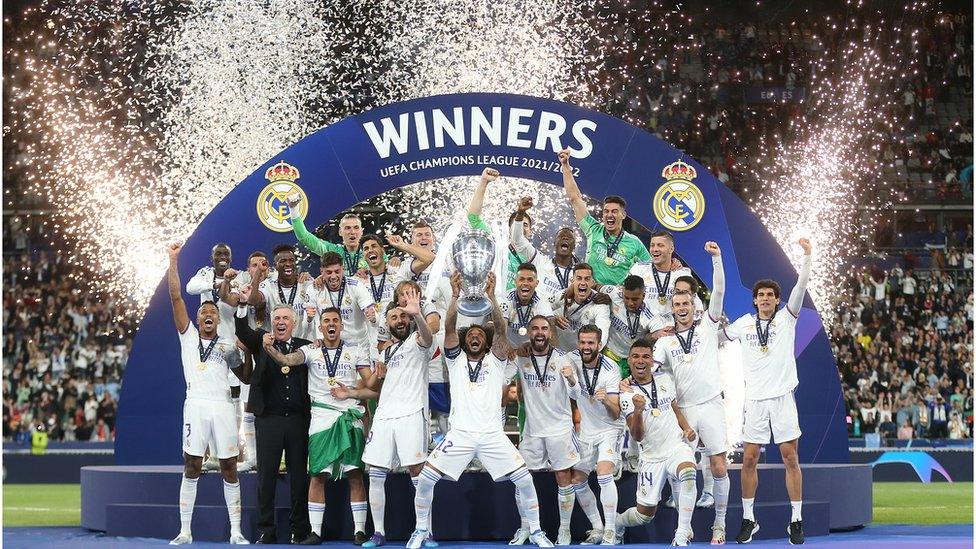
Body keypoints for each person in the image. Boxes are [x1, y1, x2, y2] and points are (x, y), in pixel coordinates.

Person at [407, 272, 553, 549]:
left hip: (492, 434)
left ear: (486, 343)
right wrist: (453, 296)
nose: (474, 337)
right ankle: (421, 531)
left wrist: (492, 297)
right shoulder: (455, 360)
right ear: (465, 342)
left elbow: (499, 330)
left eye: (479, 336)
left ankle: (535, 531)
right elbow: (449, 329)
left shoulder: (496, 360)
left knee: (524, 479)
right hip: (460, 434)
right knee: (425, 479)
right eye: (470, 335)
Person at [722, 238, 812, 545]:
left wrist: (808, 256)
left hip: (783, 398)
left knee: (790, 458)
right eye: (760, 295)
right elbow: (717, 334)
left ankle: (796, 520)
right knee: (748, 460)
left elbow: (800, 288)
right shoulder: (743, 325)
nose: (765, 299)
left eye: (770, 295)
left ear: (777, 300)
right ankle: (749, 519)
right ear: (755, 300)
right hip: (755, 401)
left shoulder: (788, 319)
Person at [264, 307, 376, 544]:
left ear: (341, 326)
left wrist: (351, 393)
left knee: (355, 474)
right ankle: (315, 532)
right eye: (326, 321)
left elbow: (372, 388)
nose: (331, 324)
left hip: (349, 417)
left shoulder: (355, 352)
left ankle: (359, 531)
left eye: (335, 320)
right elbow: (286, 360)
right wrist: (270, 348)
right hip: (321, 419)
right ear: (321, 326)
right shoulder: (310, 351)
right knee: (317, 475)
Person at [165, 243, 247, 545]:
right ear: (198, 319)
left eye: (213, 311)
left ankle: (236, 531)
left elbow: (245, 375)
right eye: (204, 311)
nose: (209, 313)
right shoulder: (187, 338)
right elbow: (176, 296)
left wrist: (244, 354)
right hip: (196, 405)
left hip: (224, 405)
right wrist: (172, 260)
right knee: (192, 464)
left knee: (228, 466)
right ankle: (185, 531)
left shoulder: (226, 343)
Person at [653, 241, 729, 545]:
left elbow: (720, 293)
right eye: (677, 305)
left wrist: (717, 260)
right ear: (672, 309)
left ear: (694, 306)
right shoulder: (664, 342)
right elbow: (650, 373)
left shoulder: (707, 328)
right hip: (682, 410)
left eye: (686, 304)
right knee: (683, 469)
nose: (682, 309)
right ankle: (684, 528)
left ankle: (719, 525)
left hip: (711, 405)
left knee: (719, 465)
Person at [235, 287, 314, 544]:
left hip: (298, 420)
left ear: (294, 324)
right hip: (268, 419)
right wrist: (243, 307)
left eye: (285, 319)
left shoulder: (305, 347)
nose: (280, 322)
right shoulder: (261, 341)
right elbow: (242, 332)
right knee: (266, 477)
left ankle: (299, 531)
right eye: (277, 318)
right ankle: (266, 531)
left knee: (299, 477)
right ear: (272, 323)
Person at [359, 288, 436, 549]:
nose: (400, 320)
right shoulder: (384, 354)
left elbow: (428, 336)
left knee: (418, 472)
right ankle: (378, 532)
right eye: (394, 318)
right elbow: (373, 389)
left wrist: (419, 315)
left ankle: (425, 531)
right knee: (376, 472)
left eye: (404, 316)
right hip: (384, 417)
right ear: (388, 324)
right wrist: (350, 392)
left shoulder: (418, 340)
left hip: (412, 414)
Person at [616, 340, 698, 546]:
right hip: (651, 456)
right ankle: (617, 522)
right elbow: (636, 436)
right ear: (629, 360)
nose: (641, 361)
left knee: (688, 474)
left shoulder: (665, 379)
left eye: (645, 356)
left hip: (675, 447)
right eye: (636, 356)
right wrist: (637, 411)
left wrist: (686, 428)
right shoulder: (626, 394)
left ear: (652, 360)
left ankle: (682, 533)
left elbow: (674, 408)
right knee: (644, 515)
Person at [509, 315, 576, 546]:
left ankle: (564, 530)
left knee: (563, 477)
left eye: (544, 329)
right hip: (532, 429)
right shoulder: (521, 357)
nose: (539, 332)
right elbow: (503, 368)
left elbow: (575, 394)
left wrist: (573, 380)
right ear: (529, 333)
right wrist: (515, 350)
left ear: (550, 333)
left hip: (559, 428)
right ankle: (525, 527)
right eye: (535, 328)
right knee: (521, 477)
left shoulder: (563, 357)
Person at [561, 324, 625, 545]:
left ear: (599, 344)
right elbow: (575, 391)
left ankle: (611, 530)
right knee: (577, 479)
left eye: (591, 343)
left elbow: (616, 413)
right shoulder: (571, 359)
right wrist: (571, 379)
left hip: (610, 428)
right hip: (587, 430)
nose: (586, 347)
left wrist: (606, 399)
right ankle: (597, 527)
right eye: (583, 342)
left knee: (603, 473)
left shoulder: (611, 368)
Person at [558, 149, 650, 285]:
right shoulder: (593, 229)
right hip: (590, 295)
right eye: (606, 211)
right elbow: (574, 198)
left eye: (614, 211)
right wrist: (565, 165)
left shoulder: (634, 243)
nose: (609, 215)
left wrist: (672, 265)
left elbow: (651, 269)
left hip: (617, 300)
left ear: (623, 215)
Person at [510, 197, 579, 304]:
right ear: (554, 244)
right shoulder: (539, 260)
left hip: (563, 319)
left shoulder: (578, 275)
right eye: (561, 236)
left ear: (574, 246)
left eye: (569, 237)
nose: (565, 238)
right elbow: (517, 241)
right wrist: (520, 213)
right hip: (536, 316)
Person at [599, 275, 668, 378]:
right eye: (626, 298)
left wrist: (653, 336)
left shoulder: (651, 316)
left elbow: (660, 337)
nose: (630, 303)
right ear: (622, 292)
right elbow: (595, 286)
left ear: (643, 296)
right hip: (608, 352)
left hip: (630, 360)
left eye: (635, 299)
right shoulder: (614, 294)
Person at [247, 244, 317, 340]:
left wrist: (321, 278)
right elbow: (252, 300)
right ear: (275, 266)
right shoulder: (268, 285)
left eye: (291, 260)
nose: (288, 264)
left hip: (304, 344)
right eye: (283, 261)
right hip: (278, 344)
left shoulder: (307, 283)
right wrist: (258, 271)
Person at [288, 193, 368, 274]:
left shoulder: (372, 253)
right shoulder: (332, 251)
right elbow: (303, 236)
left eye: (356, 227)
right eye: (347, 228)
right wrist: (293, 209)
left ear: (362, 231)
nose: (352, 232)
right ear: (340, 232)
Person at [628, 231, 694, 317]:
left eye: (660, 245)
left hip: (672, 328)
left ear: (671, 249)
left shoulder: (683, 275)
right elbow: (623, 293)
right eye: (652, 245)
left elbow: (694, 302)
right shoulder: (638, 270)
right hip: (642, 328)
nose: (655, 249)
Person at [553, 264, 611, 353]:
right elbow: (542, 306)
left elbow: (602, 333)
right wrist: (552, 319)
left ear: (592, 282)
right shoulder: (563, 295)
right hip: (559, 351)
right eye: (579, 278)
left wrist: (589, 351)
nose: (583, 283)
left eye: (587, 279)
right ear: (572, 281)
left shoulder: (600, 305)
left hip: (582, 354)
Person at [500, 263, 555, 346]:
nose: (525, 283)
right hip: (509, 350)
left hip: (531, 349)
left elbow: (550, 330)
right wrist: (507, 347)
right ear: (515, 282)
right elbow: (501, 330)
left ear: (536, 283)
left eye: (530, 280)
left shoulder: (542, 301)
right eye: (521, 279)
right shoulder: (505, 299)